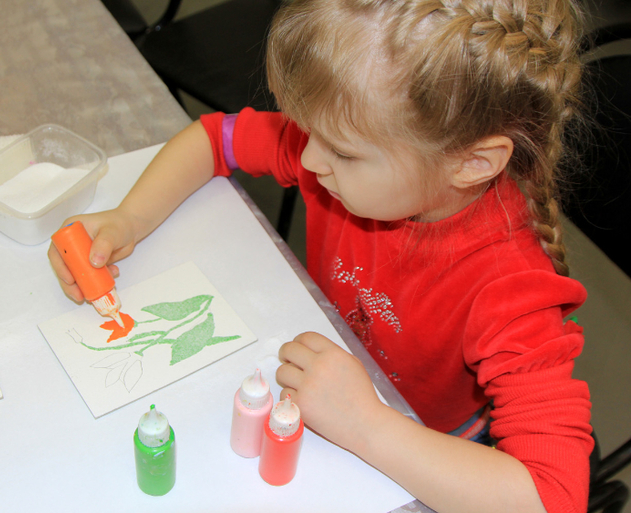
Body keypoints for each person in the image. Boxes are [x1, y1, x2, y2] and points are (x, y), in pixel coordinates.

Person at [49, 0, 594, 511]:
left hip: (421, 450)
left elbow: (552, 495)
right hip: (325, 385)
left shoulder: (510, 286)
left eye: (342, 151)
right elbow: (216, 139)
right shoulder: (353, 148)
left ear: (472, 163)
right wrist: (130, 219)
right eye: (309, 132)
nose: (308, 159)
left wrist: (366, 424)